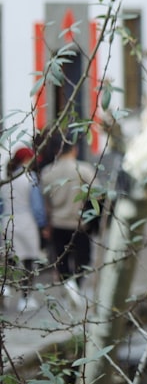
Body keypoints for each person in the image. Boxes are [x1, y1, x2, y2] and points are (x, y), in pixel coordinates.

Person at [39, 130, 99, 301]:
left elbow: (45, 203)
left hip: (57, 223)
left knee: (61, 259)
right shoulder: (84, 170)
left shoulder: (47, 173)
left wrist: (46, 225)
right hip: (79, 223)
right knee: (83, 258)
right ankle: (77, 286)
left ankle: (68, 286)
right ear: (74, 149)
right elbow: (99, 194)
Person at [2, 146, 46, 310]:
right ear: (27, 160)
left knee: (9, 261)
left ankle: (5, 290)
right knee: (28, 262)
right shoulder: (30, 177)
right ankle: (25, 299)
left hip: (7, 223)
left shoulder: (6, 180)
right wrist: (42, 225)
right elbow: (37, 207)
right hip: (27, 222)